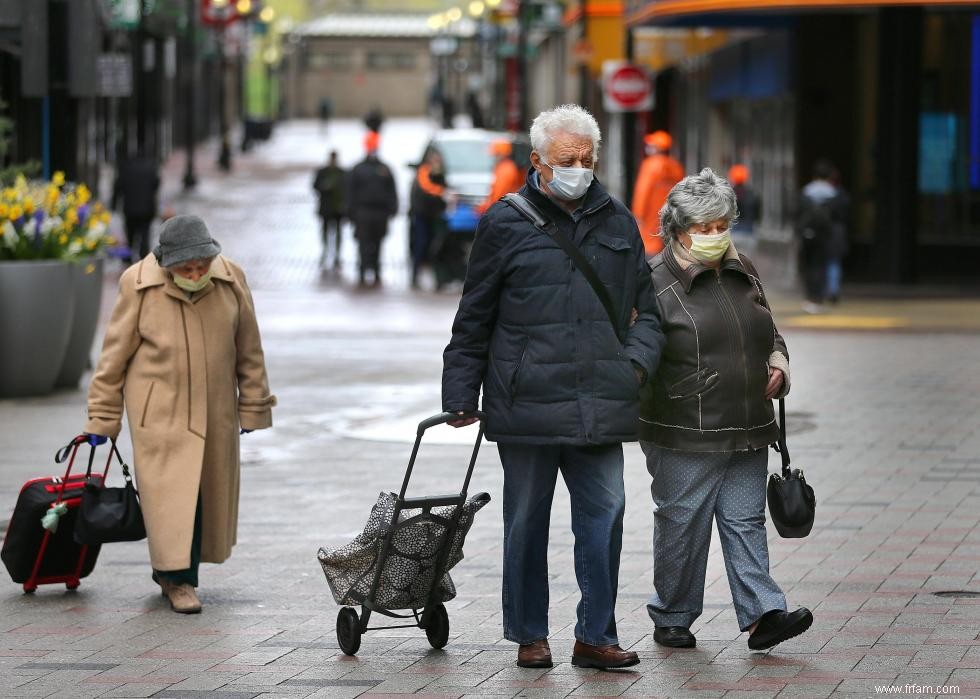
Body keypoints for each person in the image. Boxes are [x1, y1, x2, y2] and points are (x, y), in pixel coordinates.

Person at [442, 104, 665, 670]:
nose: (580, 167)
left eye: (588, 158)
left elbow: (650, 312)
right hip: (528, 402)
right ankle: (529, 633)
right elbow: (474, 317)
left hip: (600, 400)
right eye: (569, 159)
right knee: (525, 523)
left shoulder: (616, 219)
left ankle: (596, 635)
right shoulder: (504, 222)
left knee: (606, 517)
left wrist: (633, 368)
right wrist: (460, 395)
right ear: (538, 160)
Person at [638, 168, 812, 653]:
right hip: (683, 428)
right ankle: (673, 616)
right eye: (704, 228)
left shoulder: (744, 270)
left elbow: (770, 331)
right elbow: (636, 349)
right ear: (677, 230)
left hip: (749, 423)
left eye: (722, 225)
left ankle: (762, 615)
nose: (715, 236)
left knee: (745, 520)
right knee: (682, 523)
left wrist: (778, 361)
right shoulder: (653, 281)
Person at [84, 215, 276, 614]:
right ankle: (179, 580)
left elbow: (250, 351)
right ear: (166, 262)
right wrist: (102, 418)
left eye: (201, 266)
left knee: (202, 497)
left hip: (214, 409)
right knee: (171, 499)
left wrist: (253, 406)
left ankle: (172, 570)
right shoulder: (138, 284)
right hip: (159, 414)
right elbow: (112, 359)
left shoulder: (231, 280)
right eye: (185, 268)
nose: (195, 273)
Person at [348, 131, 398, 288]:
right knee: (363, 243)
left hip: (380, 213)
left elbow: (392, 191)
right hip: (363, 212)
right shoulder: (357, 169)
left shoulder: (385, 168)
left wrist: (392, 208)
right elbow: (350, 192)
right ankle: (362, 272)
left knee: (378, 243)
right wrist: (351, 212)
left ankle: (376, 271)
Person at [797, 159, 845, 313]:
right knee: (822, 266)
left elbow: (797, 213)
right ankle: (820, 297)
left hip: (808, 235)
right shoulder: (834, 194)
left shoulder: (805, 192)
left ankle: (810, 297)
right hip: (825, 236)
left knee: (809, 266)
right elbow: (841, 216)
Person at [631, 130, 684, 257]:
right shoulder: (676, 166)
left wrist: (637, 215)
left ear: (657, 147)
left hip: (650, 213)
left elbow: (642, 191)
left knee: (650, 246)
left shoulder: (650, 165)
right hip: (670, 211)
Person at [409, 148, 449, 288]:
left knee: (436, 246)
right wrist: (442, 193)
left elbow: (443, 189)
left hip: (435, 215)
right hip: (422, 215)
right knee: (420, 244)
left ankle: (438, 278)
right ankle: (414, 275)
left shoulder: (440, 174)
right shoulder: (424, 171)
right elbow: (427, 188)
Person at [112, 152, 161, 263]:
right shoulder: (150, 168)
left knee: (130, 234)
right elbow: (156, 184)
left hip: (130, 209)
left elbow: (118, 187)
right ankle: (143, 258)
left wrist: (114, 205)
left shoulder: (126, 169)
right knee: (145, 234)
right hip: (146, 209)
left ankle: (128, 257)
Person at [313, 150, 347, 270]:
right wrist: (324, 186)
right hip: (326, 208)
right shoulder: (323, 172)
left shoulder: (341, 172)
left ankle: (337, 254)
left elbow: (347, 188)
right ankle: (325, 251)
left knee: (338, 233)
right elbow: (315, 186)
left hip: (337, 209)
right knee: (325, 232)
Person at [476, 139, 523, 215]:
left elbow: (498, 196)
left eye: (495, 154)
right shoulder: (505, 167)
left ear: (501, 154)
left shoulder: (505, 169)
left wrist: (483, 209)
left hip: (502, 211)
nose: (494, 157)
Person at [825, 166, 851, 304]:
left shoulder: (828, 197)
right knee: (834, 263)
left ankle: (829, 290)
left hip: (829, 232)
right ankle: (833, 290)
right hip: (839, 232)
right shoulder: (844, 196)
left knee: (828, 262)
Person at [728, 163, 761, 235]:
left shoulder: (729, 194)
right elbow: (757, 213)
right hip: (748, 227)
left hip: (734, 227)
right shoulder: (752, 194)